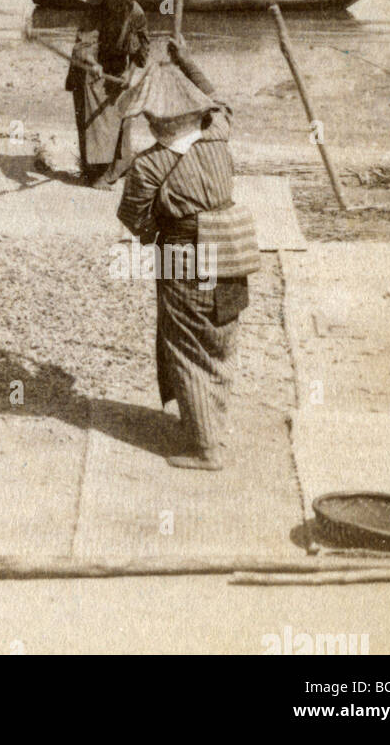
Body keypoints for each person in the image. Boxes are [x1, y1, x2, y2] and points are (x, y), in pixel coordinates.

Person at [117, 40, 248, 471]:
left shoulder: (149, 164)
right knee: (219, 333)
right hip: (229, 247)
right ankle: (209, 423)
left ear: (153, 119)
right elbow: (220, 101)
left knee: (186, 342)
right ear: (196, 110)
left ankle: (205, 447)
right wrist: (186, 58)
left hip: (183, 252)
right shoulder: (217, 135)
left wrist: (158, 232)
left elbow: (135, 217)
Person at [65, 0, 149, 187]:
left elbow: (141, 50)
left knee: (123, 112)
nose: (115, 2)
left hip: (118, 68)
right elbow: (83, 46)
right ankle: (94, 173)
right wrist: (92, 63)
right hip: (89, 71)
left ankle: (119, 166)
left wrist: (130, 74)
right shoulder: (95, 13)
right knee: (92, 120)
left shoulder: (135, 12)